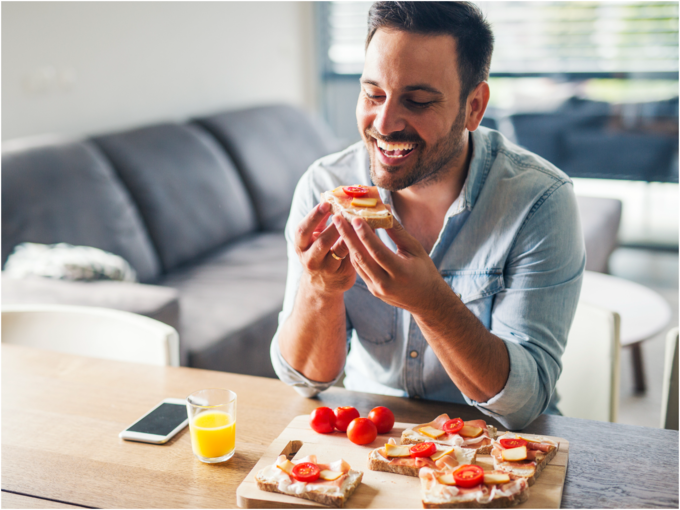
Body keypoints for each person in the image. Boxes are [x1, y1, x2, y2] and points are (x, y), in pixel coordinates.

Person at [270, 1, 584, 430]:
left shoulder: (540, 201)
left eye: (416, 101)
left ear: (474, 106)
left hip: (496, 447)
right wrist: (320, 291)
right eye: (373, 94)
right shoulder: (324, 187)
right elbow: (302, 379)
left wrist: (430, 302)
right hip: (374, 433)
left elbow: (524, 404)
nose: (384, 123)